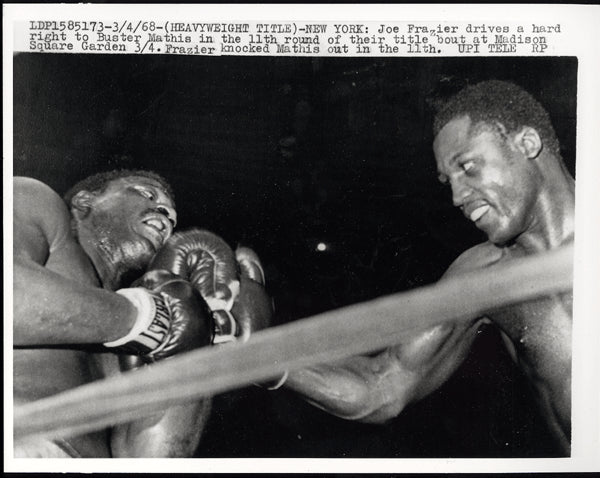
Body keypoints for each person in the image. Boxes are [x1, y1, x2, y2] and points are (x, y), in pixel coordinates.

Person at [283, 80, 574, 455]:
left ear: (528, 143)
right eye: (447, 181)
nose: (456, 197)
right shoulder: (483, 277)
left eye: (467, 167)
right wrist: (257, 357)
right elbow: (383, 387)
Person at [13, 169, 272, 457]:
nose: (166, 214)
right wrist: (146, 318)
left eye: (173, 219)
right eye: (147, 194)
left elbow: (147, 457)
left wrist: (199, 347)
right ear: (85, 201)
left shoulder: (135, 340)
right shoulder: (36, 199)